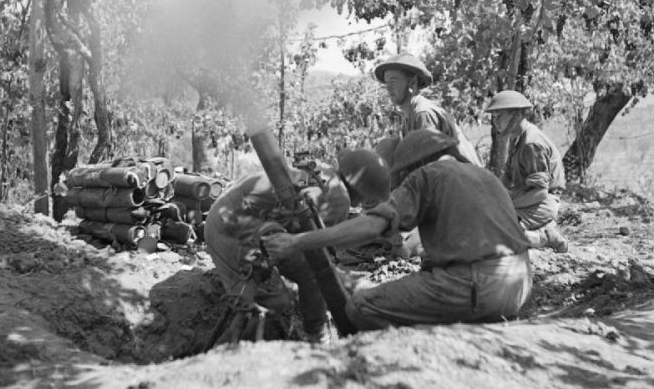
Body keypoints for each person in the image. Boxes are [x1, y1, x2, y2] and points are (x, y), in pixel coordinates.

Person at [263, 130, 532, 330]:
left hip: (477, 287)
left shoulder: (428, 175)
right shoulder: (485, 176)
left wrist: (296, 241)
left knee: (360, 306)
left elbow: (373, 226)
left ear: (414, 165)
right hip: (519, 284)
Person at [204, 149, 390, 343]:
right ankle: (222, 353)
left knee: (309, 274)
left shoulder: (324, 174)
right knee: (277, 302)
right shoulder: (339, 198)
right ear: (367, 195)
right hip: (231, 231)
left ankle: (315, 332)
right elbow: (318, 259)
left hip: (231, 220)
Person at [485, 90, 568, 253]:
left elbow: (540, 193)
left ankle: (546, 238)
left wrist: (507, 206)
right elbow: (506, 178)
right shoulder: (516, 138)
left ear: (516, 115)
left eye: (499, 116)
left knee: (497, 235)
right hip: (526, 196)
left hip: (544, 201)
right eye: (493, 117)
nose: (495, 122)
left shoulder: (531, 143)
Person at [373, 52, 482, 166]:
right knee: (388, 146)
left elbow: (429, 167)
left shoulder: (423, 113)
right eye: (386, 83)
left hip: (464, 178)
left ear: (412, 83)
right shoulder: (409, 117)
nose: (388, 88)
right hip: (449, 175)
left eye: (393, 81)